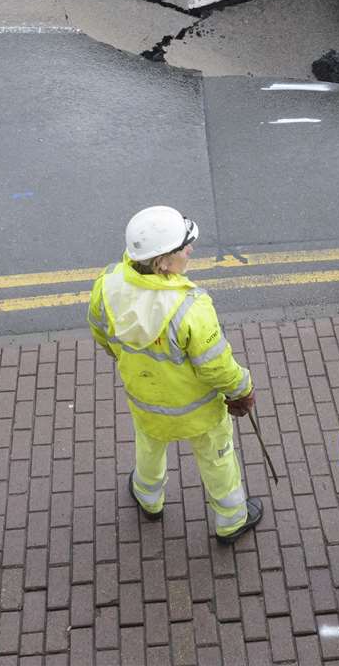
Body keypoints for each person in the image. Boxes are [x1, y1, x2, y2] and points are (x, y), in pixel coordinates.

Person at [88, 205, 264, 543]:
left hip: (145, 399)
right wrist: (242, 389)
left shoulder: (107, 285)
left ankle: (148, 498)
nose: (190, 250)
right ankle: (231, 520)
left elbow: (102, 335)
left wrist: (133, 366)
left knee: (149, 445)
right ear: (163, 263)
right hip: (198, 410)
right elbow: (217, 366)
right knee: (217, 457)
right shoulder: (190, 307)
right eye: (183, 247)